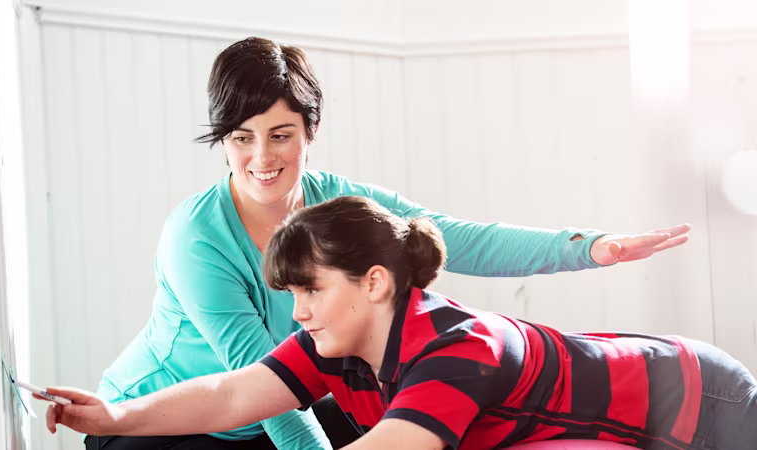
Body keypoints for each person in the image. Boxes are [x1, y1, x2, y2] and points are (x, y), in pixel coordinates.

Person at [88, 36, 692, 449]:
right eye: (242, 138)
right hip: (161, 423)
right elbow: (258, 383)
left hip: (265, 413)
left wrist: (588, 247)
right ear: (224, 140)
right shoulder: (196, 237)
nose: (262, 157)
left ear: (311, 130)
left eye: (280, 134)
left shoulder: (337, 204)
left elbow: (454, 237)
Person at [40, 196, 755, 450]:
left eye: (310, 290)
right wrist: (115, 416)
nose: (299, 312)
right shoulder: (336, 345)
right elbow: (231, 396)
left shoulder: (457, 352)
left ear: (375, 282)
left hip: (700, 403)